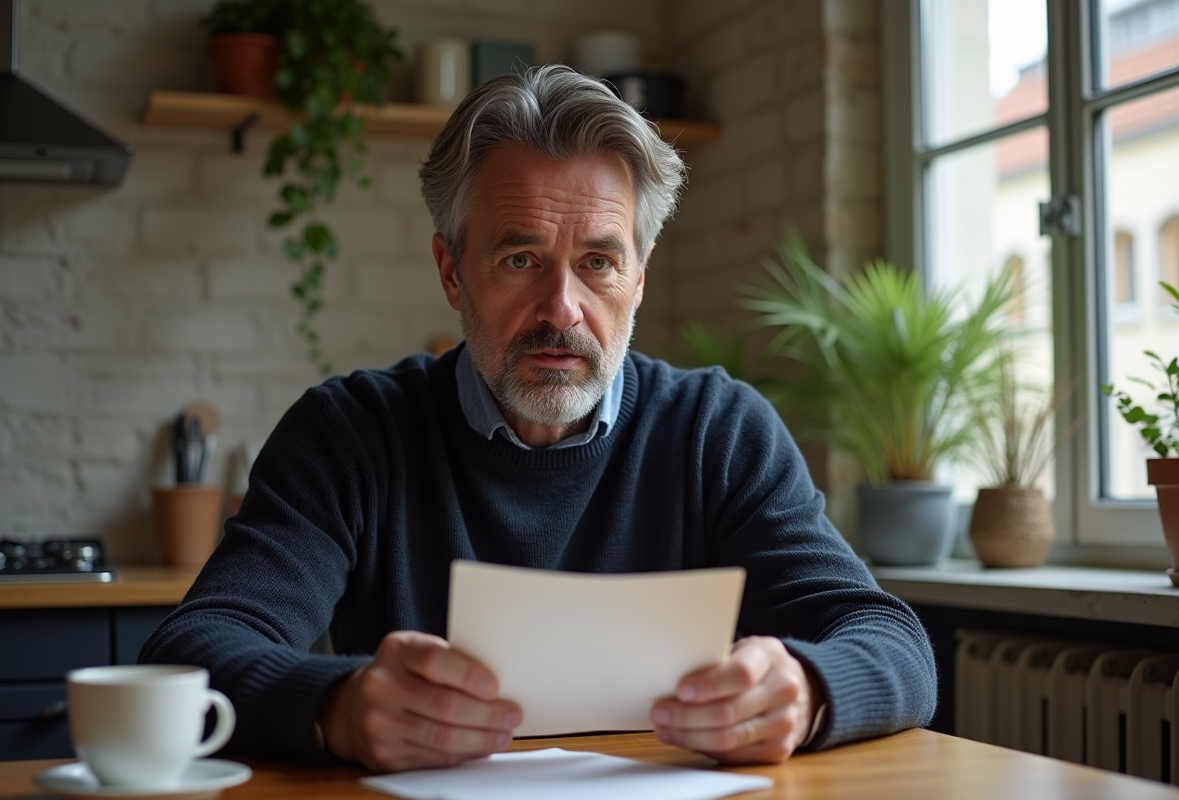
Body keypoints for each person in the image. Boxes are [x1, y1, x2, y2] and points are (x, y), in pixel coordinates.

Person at [140, 65, 936, 772]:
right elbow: (189, 652)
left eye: (598, 263)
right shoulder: (350, 433)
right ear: (452, 272)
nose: (563, 310)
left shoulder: (717, 431)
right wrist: (337, 706)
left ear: (639, 279)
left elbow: (892, 643)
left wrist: (807, 690)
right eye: (519, 260)